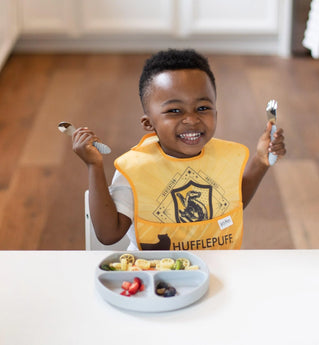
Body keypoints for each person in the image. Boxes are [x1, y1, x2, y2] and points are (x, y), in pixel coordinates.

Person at [72, 49, 286, 251]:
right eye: (174, 110)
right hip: (153, 278)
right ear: (149, 124)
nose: (192, 119)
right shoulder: (136, 169)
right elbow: (108, 235)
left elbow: (233, 202)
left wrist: (260, 160)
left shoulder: (222, 158)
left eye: (203, 108)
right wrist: (94, 165)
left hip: (217, 273)